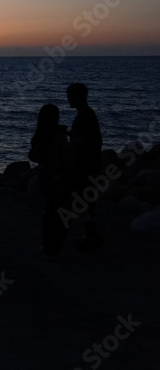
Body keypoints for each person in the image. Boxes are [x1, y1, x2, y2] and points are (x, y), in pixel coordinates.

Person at [29, 103, 71, 259]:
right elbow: (66, 157)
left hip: (43, 174)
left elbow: (32, 155)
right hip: (58, 176)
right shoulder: (59, 137)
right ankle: (53, 248)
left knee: (48, 211)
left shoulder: (40, 135)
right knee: (61, 213)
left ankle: (45, 244)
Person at [66, 82, 104, 250]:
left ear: (77, 97)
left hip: (86, 165)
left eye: (70, 96)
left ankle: (91, 236)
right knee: (88, 200)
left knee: (85, 201)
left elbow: (93, 142)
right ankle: (90, 235)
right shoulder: (86, 114)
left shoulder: (85, 115)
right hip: (89, 164)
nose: (68, 99)